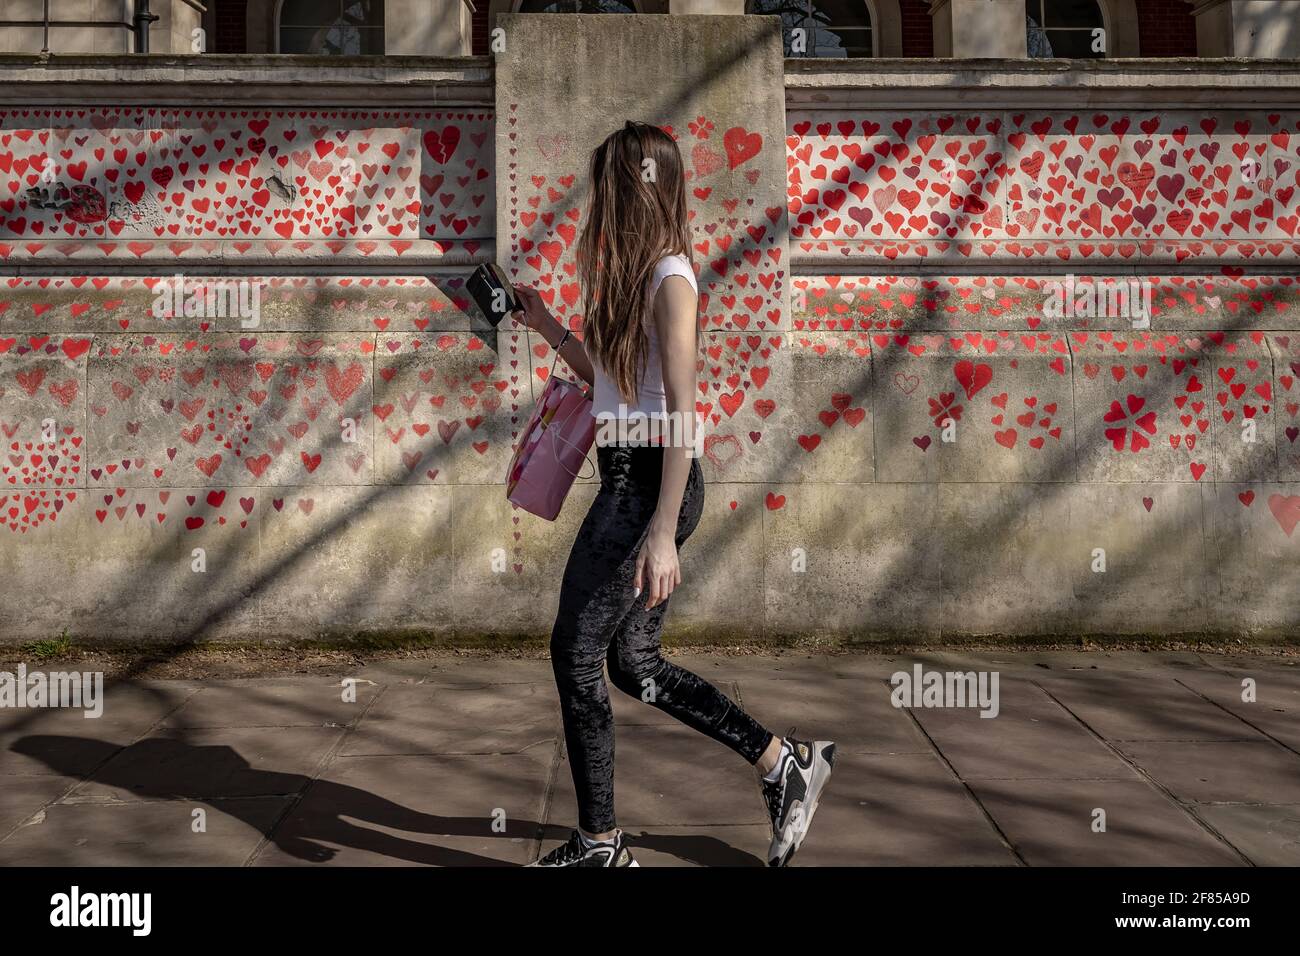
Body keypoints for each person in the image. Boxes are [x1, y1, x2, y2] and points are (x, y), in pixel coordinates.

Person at [511, 120, 835, 868]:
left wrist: (660, 531)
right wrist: (548, 325)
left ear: (636, 190)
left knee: (576, 649)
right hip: (634, 480)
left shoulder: (670, 281)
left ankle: (600, 844)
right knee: (634, 664)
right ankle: (783, 762)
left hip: (654, 486)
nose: (599, 202)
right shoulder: (634, 278)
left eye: (609, 186)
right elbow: (616, 387)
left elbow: (684, 411)